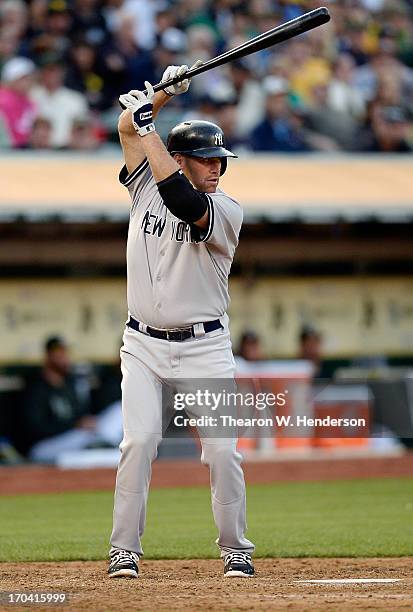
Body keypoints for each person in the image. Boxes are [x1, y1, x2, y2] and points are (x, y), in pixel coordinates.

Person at [108, 63, 255, 579]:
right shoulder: (144, 184)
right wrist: (166, 94)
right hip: (142, 344)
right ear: (178, 158)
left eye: (220, 160)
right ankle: (123, 549)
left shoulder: (224, 210)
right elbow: (128, 128)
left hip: (205, 347)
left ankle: (236, 547)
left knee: (221, 452)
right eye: (206, 159)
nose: (217, 168)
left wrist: (149, 123)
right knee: (139, 441)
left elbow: (181, 198)